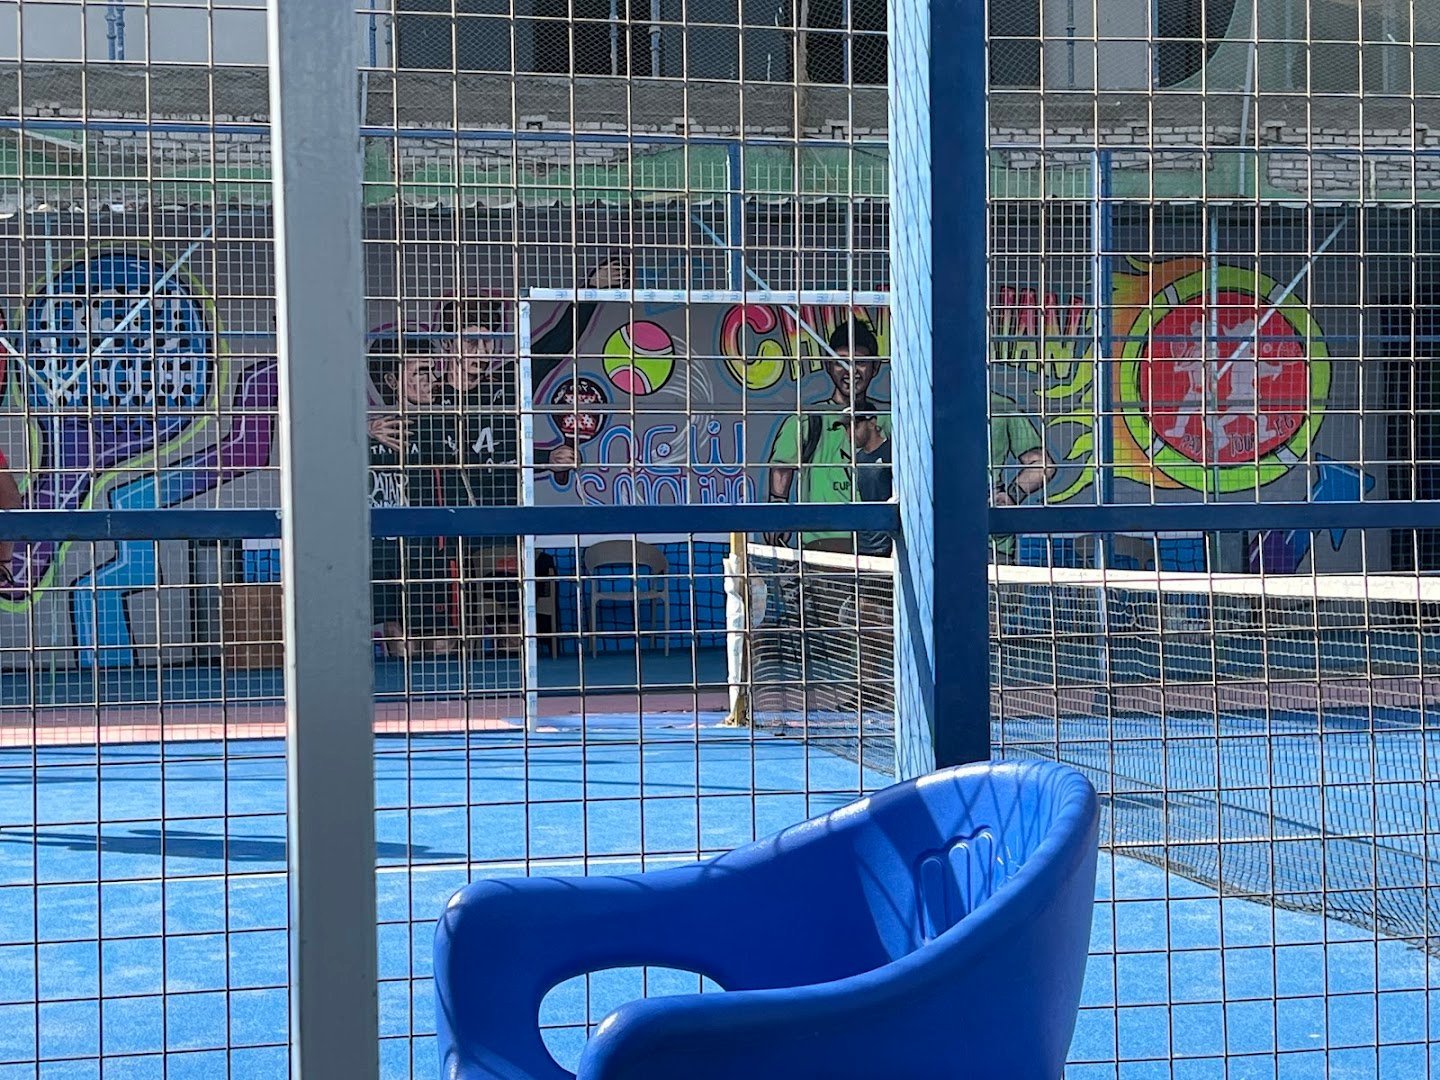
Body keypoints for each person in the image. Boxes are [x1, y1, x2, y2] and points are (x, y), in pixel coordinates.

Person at [763, 318, 890, 548]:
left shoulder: (889, 419)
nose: (851, 370)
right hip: (822, 544)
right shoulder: (806, 420)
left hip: (877, 547)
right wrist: (777, 508)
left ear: (875, 367)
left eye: (860, 362)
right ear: (828, 365)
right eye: (841, 361)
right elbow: (781, 468)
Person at [367, 336, 457, 657]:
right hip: (383, 550)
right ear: (392, 381)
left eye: (433, 371)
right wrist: (363, 432)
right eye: (420, 371)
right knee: (400, 638)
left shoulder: (444, 421)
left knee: (441, 641)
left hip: (429, 548)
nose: (431, 380)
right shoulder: (370, 427)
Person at [989, 390, 1056, 563]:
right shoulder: (1000, 405)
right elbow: (1043, 465)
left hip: (942, 524)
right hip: (992, 530)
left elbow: (1043, 465)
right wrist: (1012, 495)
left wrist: (1011, 496)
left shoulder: (929, 404)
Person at [839, 406, 893, 557]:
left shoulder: (892, 452)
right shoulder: (858, 459)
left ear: (872, 423)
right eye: (846, 427)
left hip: (888, 543)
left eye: (855, 426)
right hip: (863, 544)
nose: (849, 433)